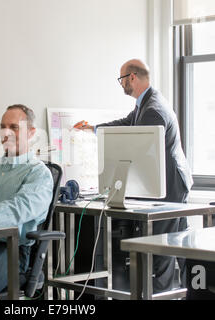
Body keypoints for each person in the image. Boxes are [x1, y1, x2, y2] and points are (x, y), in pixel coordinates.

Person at [74, 59, 193, 293]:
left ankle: (165, 296)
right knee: (174, 246)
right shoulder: (145, 103)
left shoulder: (153, 109)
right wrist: (94, 128)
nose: (120, 84)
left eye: (121, 79)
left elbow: (140, 148)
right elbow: (127, 124)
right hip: (173, 183)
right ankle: (184, 294)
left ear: (132, 77)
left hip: (171, 186)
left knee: (163, 248)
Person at [0, 104, 53, 299]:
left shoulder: (38, 173)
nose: (6, 133)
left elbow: (16, 211)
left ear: (31, 132)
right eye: (3, 126)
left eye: (14, 127)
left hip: (9, 249)